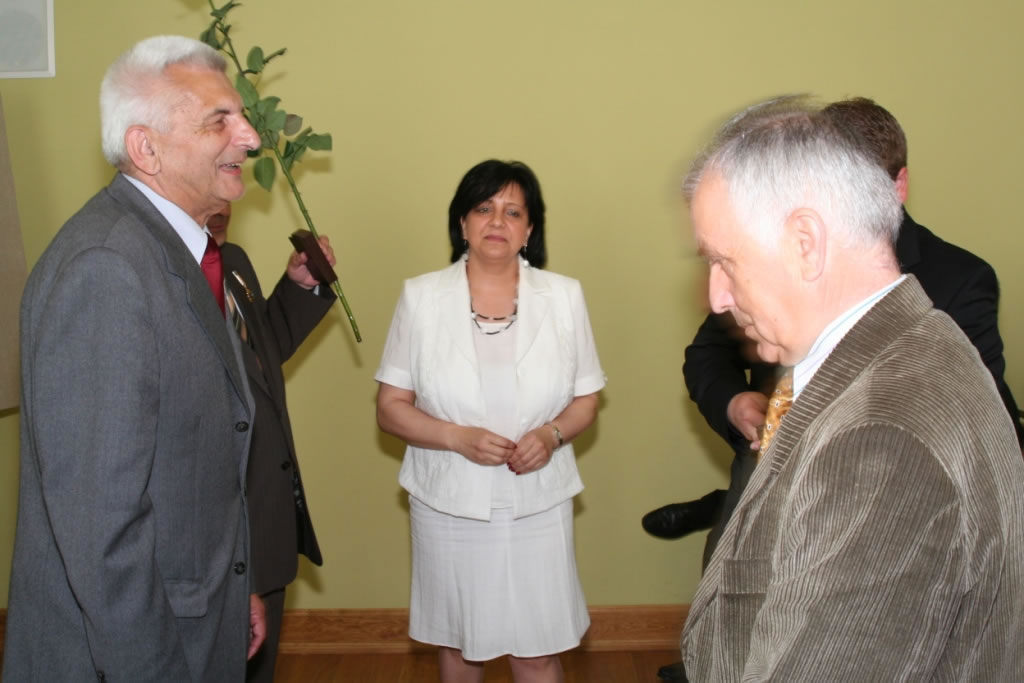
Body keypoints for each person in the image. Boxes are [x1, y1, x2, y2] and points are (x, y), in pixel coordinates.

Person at [679, 95, 1024, 680]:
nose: (716, 296)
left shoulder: (880, 438)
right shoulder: (916, 341)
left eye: (724, 262)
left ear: (805, 242)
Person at [3, 36, 267, 681]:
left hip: (191, 618)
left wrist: (233, 588)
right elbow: (101, 531)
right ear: (146, 149)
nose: (252, 138)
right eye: (220, 121)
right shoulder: (107, 270)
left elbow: (188, 470)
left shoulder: (168, 251)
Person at [375, 159, 605, 682]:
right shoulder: (421, 296)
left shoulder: (564, 296)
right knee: (463, 646)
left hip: (538, 502)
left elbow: (586, 400)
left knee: (537, 650)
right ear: (462, 223)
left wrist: (550, 435)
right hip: (449, 503)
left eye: (512, 211)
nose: (497, 221)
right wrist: (455, 437)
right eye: (484, 208)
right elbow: (390, 407)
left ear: (529, 230)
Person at [210, 204, 337, 682]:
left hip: (264, 515)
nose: (224, 205)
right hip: (217, 526)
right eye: (217, 176)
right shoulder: (163, 275)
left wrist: (299, 287)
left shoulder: (233, 261)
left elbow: (259, 356)